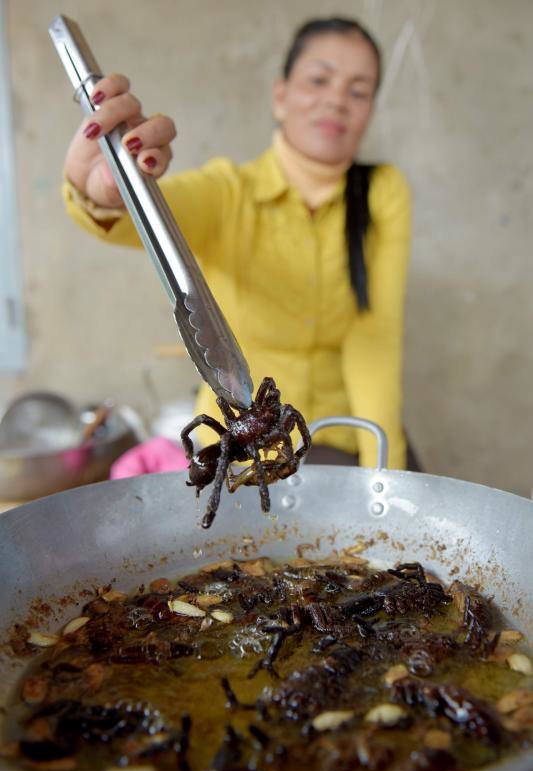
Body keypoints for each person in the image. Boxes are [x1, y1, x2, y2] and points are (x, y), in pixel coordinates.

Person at [63, 16, 415, 470]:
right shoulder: (229, 191)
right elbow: (155, 217)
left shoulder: (383, 192)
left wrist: (384, 472)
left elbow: (374, 342)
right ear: (280, 95)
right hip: (241, 445)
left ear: (370, 109)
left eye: (358, 90)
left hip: (339, 436)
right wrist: (111, 191)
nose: (336, 101)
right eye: (319, 80)